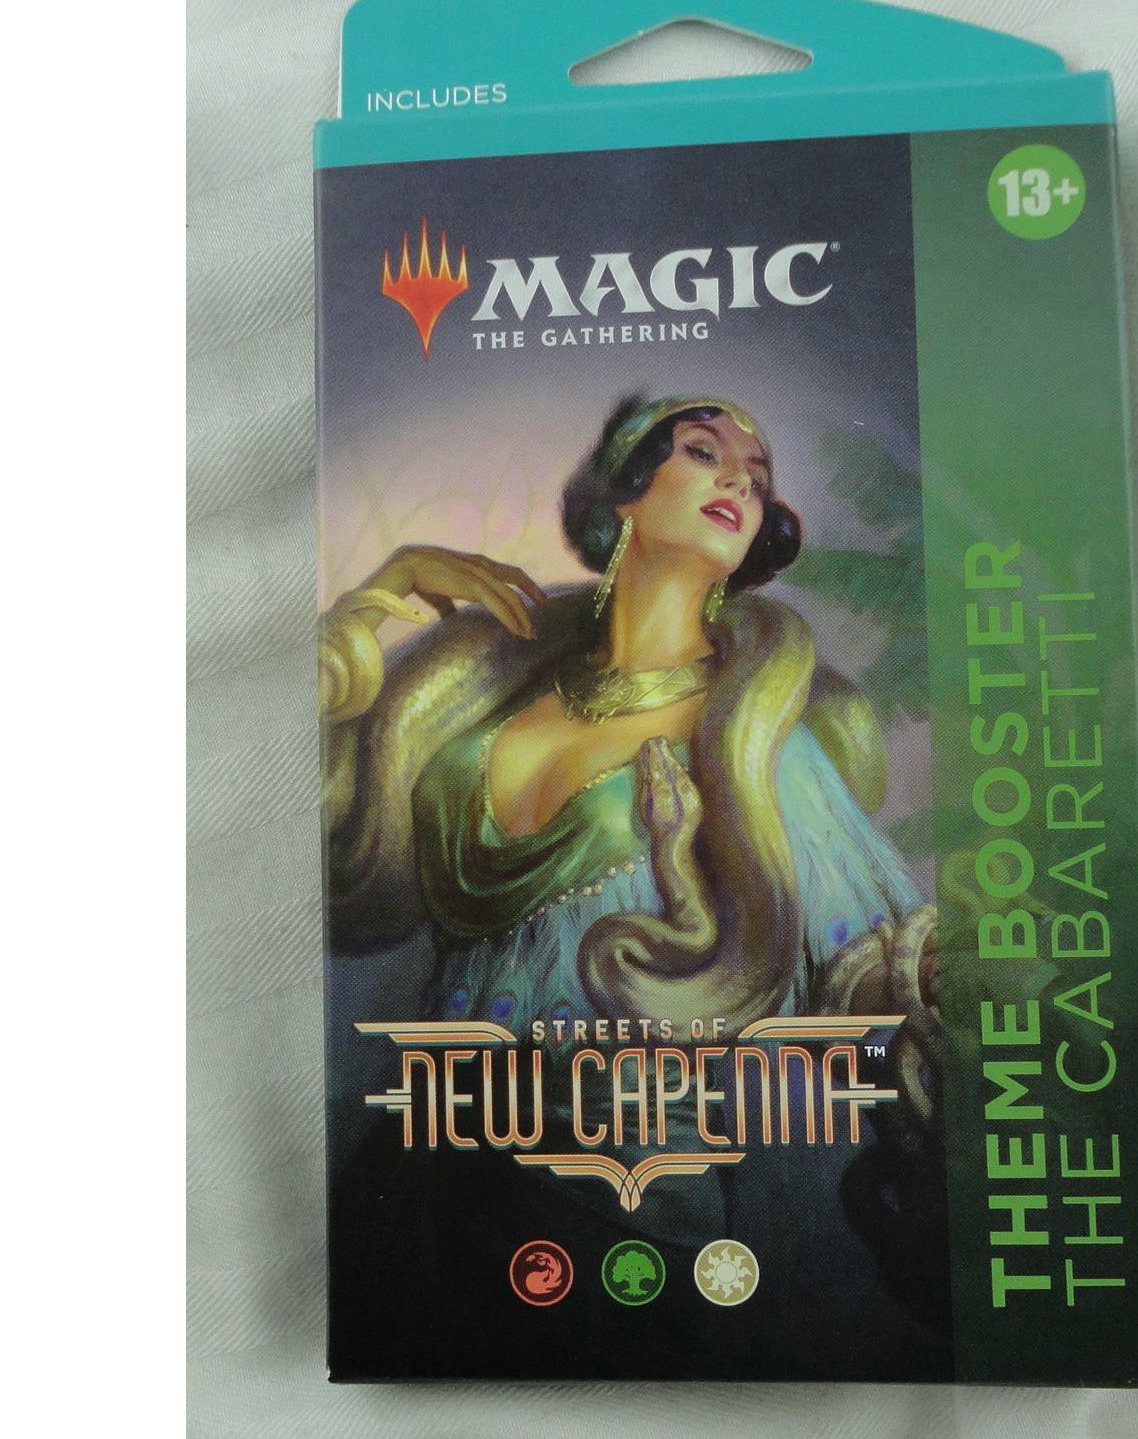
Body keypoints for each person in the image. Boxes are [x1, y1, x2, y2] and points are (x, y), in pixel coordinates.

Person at [319, 395, 949, 1379]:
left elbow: (868, 975)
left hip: (624, 1199)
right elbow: (335, 865)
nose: (738, 477)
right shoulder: (484, 693)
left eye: (757, 474)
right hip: (422, 1174)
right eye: (703, 451)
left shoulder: (757, 734)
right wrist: (370, 604)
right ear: (622, 496)